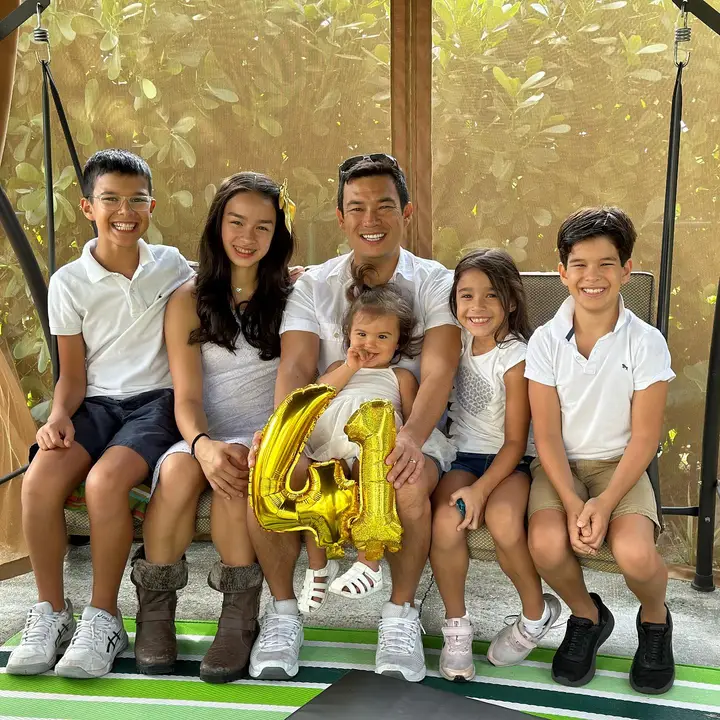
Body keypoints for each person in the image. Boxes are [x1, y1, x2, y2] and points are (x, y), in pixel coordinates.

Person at [247, 153, 461, 683]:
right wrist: (286, 433)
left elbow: (436, 372)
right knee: (269, 474)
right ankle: (282, 616)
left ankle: (399, 615)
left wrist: (411, 438)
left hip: (404, 427)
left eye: (384, 206)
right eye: (357, 207)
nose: (371, 219)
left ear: (406, 212)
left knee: (403, 479)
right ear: (340, 218)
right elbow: (296, 365)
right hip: (325, 426)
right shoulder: (313, 285)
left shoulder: (437, 282)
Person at [6, 149, 194, 678]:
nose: (124, 210)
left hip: (156, 404)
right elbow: (71, 374)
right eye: (110, 199)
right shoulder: (68, 283)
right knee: (39, 477)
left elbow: (223, 274)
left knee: (106, 482)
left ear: (152, 206)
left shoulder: (171, 264)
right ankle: (51, 612)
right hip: (94, 403)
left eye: (137, 199)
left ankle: (104, 617)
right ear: (88, 206)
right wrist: (57, 416)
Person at [130, 172, 296, 683]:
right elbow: (188, 395)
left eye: (263, 227)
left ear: (278, 236)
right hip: (201, 430)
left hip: (266, 436)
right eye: (237, 222)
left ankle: (238, 617)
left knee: (234, 478)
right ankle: (155, 612)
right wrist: (201, 445)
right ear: (217, 225)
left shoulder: (294, 294)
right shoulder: (188, 298)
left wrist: (243, 447)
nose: (248, 237)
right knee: (180, 473)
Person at [525, 207, 675, 694]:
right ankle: (587, 616)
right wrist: (573, 504)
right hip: (560, 467)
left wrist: (604, 504)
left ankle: (655, 622)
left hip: (620, 468)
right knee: (547, 544)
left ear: (627, 269)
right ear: (562, 270)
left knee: (634, 553)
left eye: (607, 264)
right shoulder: (546, 341)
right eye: (581, 264)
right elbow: (546, 436)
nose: (593, 277)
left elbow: (646, 438)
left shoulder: (646, 342)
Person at [430, 249, 561, 682]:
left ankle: (535, 613)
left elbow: (513, 441)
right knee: (446, 522)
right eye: (466, 295)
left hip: (510, 461)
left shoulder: (515, 356)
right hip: (460, 455)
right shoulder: (455, 340)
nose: (477, 306)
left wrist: (482, 491)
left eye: (490, 295)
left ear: (510, 301)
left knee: (504, 520)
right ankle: (457, 627)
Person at [296, 265, 455, 615]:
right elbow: (318, 397)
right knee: (319, 489)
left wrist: (406, 443)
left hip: (377, 445)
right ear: (348, 334)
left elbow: (416, 421)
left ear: (398, 343)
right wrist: (350, 367)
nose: (370, 344)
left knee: (376, 477)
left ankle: (370, 563)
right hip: (332, 445)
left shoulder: (398, 376)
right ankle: (319, 566)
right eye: (362, 334)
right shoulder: (338, 369)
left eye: (383, 338)